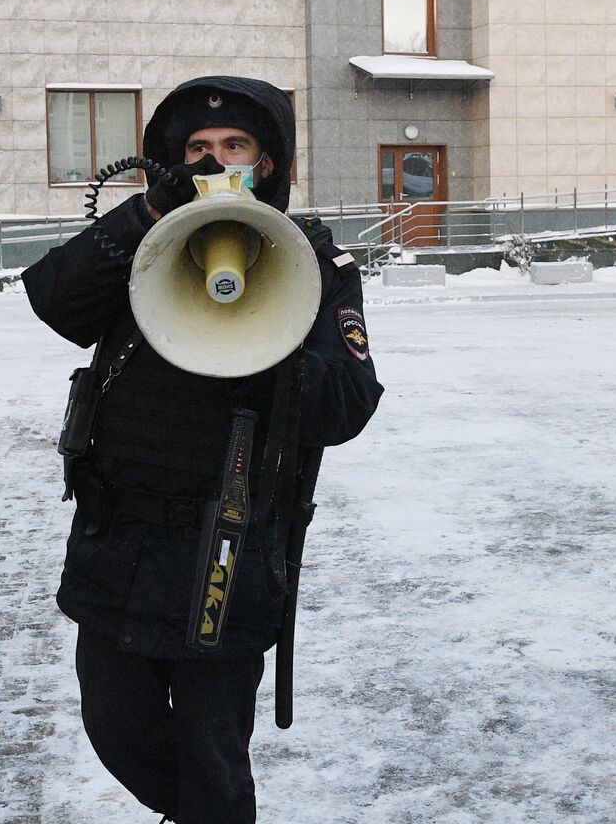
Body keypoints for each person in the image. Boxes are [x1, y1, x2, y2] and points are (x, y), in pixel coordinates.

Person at [22, 76, 384, 823]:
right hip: (116, 540)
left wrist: (276, 325)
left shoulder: (316, 264)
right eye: (197, 149)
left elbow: (346, 407)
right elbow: (56, 299)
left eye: (234, 147)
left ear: (269, 164)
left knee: (212, 755)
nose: (214, 160)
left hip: (230, 553)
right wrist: (149, 214)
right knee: (115, 726)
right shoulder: (146, 245)